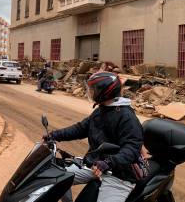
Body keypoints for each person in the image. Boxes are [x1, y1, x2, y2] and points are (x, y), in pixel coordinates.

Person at [44, 72, 145, 202]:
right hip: (95, 165)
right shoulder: (101, 110)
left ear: (105, 91)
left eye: (93, 90)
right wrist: (54, 135)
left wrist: (109, 162)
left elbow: (132, 148)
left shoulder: (127, 117)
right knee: (57, 176)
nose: (90, 92)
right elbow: (80, 129)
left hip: (119, 174)